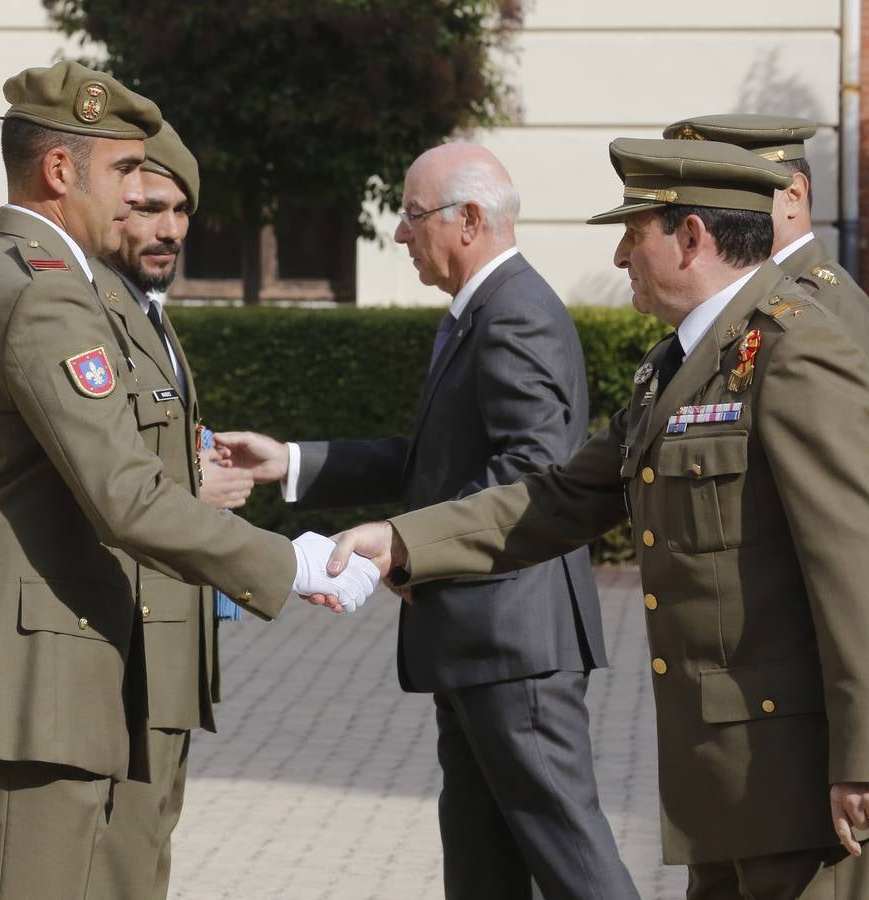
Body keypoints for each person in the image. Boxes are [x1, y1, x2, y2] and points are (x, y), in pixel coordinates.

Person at [326, 138, 869, 900]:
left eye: (632, 233)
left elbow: (863, 563)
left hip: (816, 779)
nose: (620, 257)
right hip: (726, 776)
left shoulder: (797, 349)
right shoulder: (672, 369)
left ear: (690, 238)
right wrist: (401, 540)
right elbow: (558, 497)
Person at [0, 61, 377, 900]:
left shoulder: (64, 285)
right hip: (23, 688)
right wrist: (292, 564)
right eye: (121, 173)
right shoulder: (39, 292)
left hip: (61, 678)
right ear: (60, 170)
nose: (134, 195)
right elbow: (123, 492)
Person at [218, 143, 638, 900]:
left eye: (412, 216)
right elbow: (435, 462)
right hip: (481, 637)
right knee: (481, 862)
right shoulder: (484, 309)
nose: (400, 235)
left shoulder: (514, 315)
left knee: (574, 862)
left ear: (469, 219)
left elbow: (532, 474)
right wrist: (290, 461)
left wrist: (408, 548)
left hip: (513, 641)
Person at [87, 120, 250, 899]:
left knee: (147, 853)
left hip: (169, 638)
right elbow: (102, 477)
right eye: (148, 207)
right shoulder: (88, 304)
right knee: (116, 863)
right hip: (122, 637)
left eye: (180, 211)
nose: (169, 229)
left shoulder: (143, 305)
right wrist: (195, 482)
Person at [664, 114, 869, 388]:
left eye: (742, 194)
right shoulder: (744, 290)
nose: (716, 212)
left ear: (794, 194)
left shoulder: (830, 301)